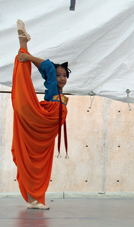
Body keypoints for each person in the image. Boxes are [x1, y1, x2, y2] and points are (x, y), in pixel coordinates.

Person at [11, 19, 70, 210]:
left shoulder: (59, 93)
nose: (61, 78)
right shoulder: (53, 90)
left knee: (34, 160)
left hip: (44, 130)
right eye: (59, 75)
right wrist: (29, 59)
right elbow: (48, 69)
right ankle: (24, 46)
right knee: (23, 96)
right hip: (40, 117)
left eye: (64, 76)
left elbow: (47, 71)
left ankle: (32, 200)